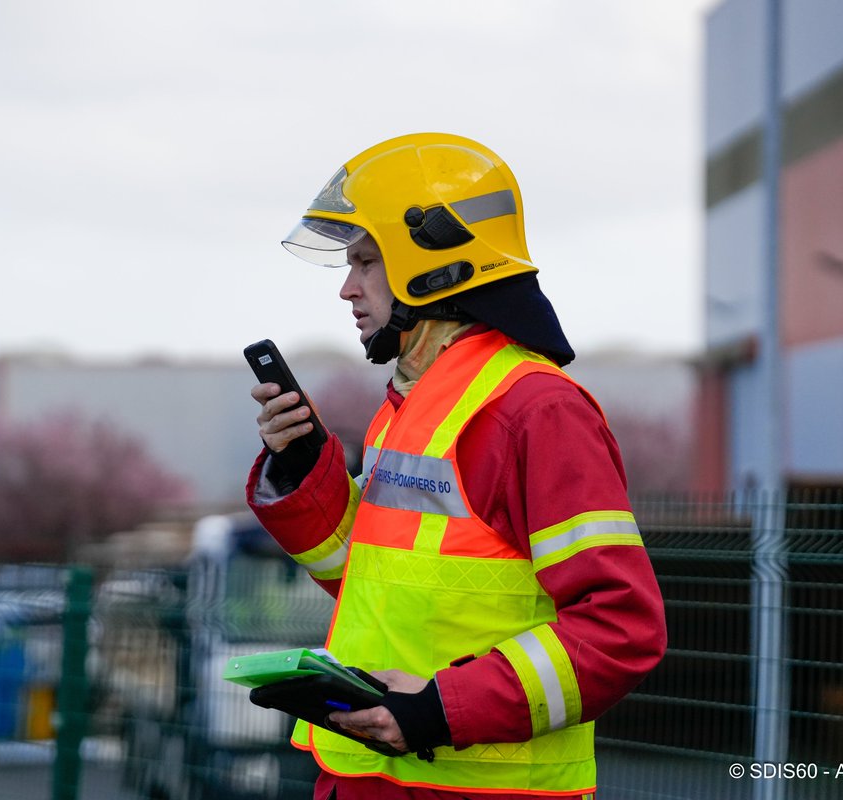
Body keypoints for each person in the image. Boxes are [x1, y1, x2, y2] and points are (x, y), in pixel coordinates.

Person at [246, 132, 666, 800]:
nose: (347, 290)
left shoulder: (534, 410)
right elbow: (379, 582)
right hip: (376, 777)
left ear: (429, 263)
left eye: (364, 263)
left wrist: (441, 708)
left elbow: (620, 626)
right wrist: (302, 471)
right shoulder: (417, 402)